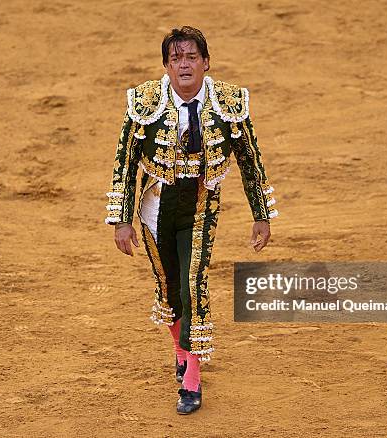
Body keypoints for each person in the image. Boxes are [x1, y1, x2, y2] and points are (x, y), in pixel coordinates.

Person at [104, 26, 277, 414]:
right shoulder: (144, 102)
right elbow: (125, 163)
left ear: (206, 63)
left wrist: (261, 214)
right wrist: (121, 220)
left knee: (193, 284)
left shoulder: (229, 102)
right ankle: (181, 350)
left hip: (200, 207)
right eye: (176, 58)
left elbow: (250, 159)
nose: (184, 65)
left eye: (191, 57)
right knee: (170, 290)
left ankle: (192, 379)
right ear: (166, 66)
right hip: (154, 209)